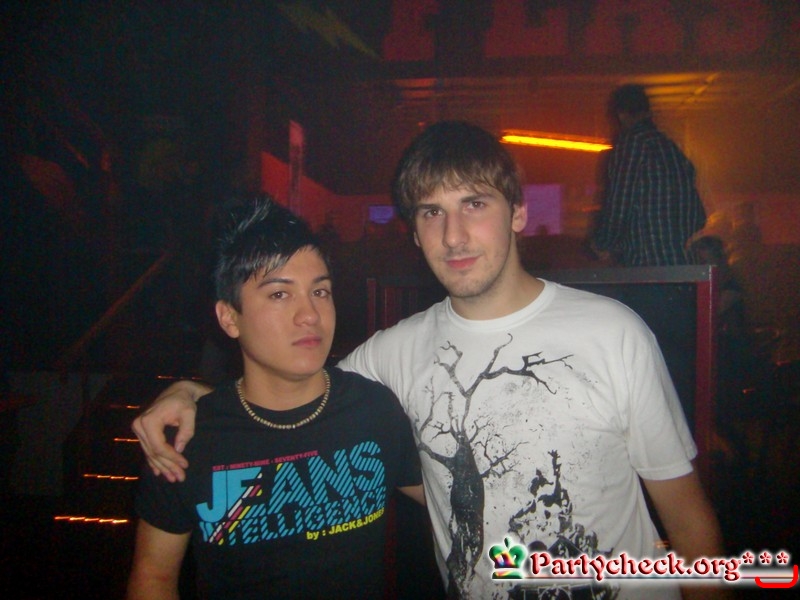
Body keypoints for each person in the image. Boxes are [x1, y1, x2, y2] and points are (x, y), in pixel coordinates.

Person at [133, 122, 726, 599]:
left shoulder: (613, 333)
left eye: (474, 203)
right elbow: (289, 384)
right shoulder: (392, 354)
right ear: (414, 233)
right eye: (431, 212)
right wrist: (195, 393)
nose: (454, 235)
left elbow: (689, 522)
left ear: (518, 213)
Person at [126, 196, 423, 600]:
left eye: (320, 291)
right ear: (229, 317)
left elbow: (454, 502)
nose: (310, 314)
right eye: (280, 294)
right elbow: (153, 579)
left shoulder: (373, 410)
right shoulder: (187, 439)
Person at [591, 84, 707, 266]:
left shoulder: (633, 143)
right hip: (685, 266)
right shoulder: (670, 147)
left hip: (649, 266)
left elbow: (620, 203)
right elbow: (699, 216)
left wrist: (602, 243)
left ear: (621, 114)